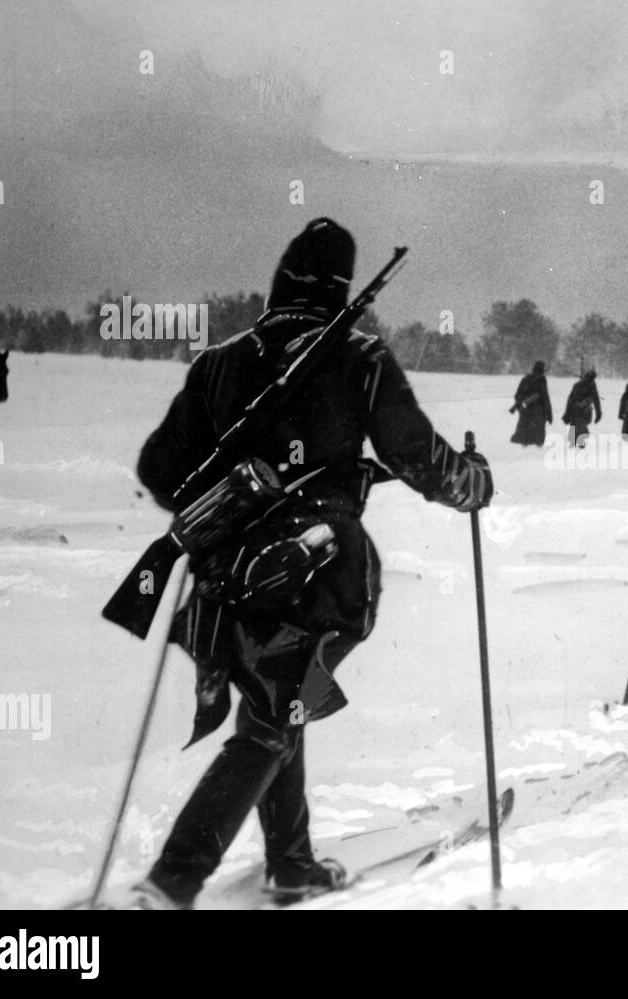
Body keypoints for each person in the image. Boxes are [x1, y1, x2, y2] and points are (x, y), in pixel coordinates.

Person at [127, 218, 493, 909]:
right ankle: (170, 884)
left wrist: (228, 503)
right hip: (314, 571)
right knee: (271, 716)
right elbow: (417, 457)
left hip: (223, 578)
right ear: (341, 288)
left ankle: (290, 864)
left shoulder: (219, 362)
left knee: (275, 703)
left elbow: (160, 469)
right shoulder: (358, 356)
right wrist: (473, 480)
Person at [510, 361, 552, 446]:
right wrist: (548, 413)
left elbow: (518, 394)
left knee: (524, 430)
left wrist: (520, 404)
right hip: (538, 411)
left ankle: (525, 444)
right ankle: (537, 448)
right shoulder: (541, 380)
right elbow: (545, 397)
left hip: (525, 409)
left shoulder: (526, 378)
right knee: (538, 433)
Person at [562, 369, 602, 447]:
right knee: (580, 428)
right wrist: (598, 414)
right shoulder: (591, 385)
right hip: (584, 411)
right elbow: (596, 400)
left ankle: (574, 446)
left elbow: (570, 400)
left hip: (576, 410)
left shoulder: (578, 385)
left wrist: (567, 413)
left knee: (575, 428)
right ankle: (579, 447)